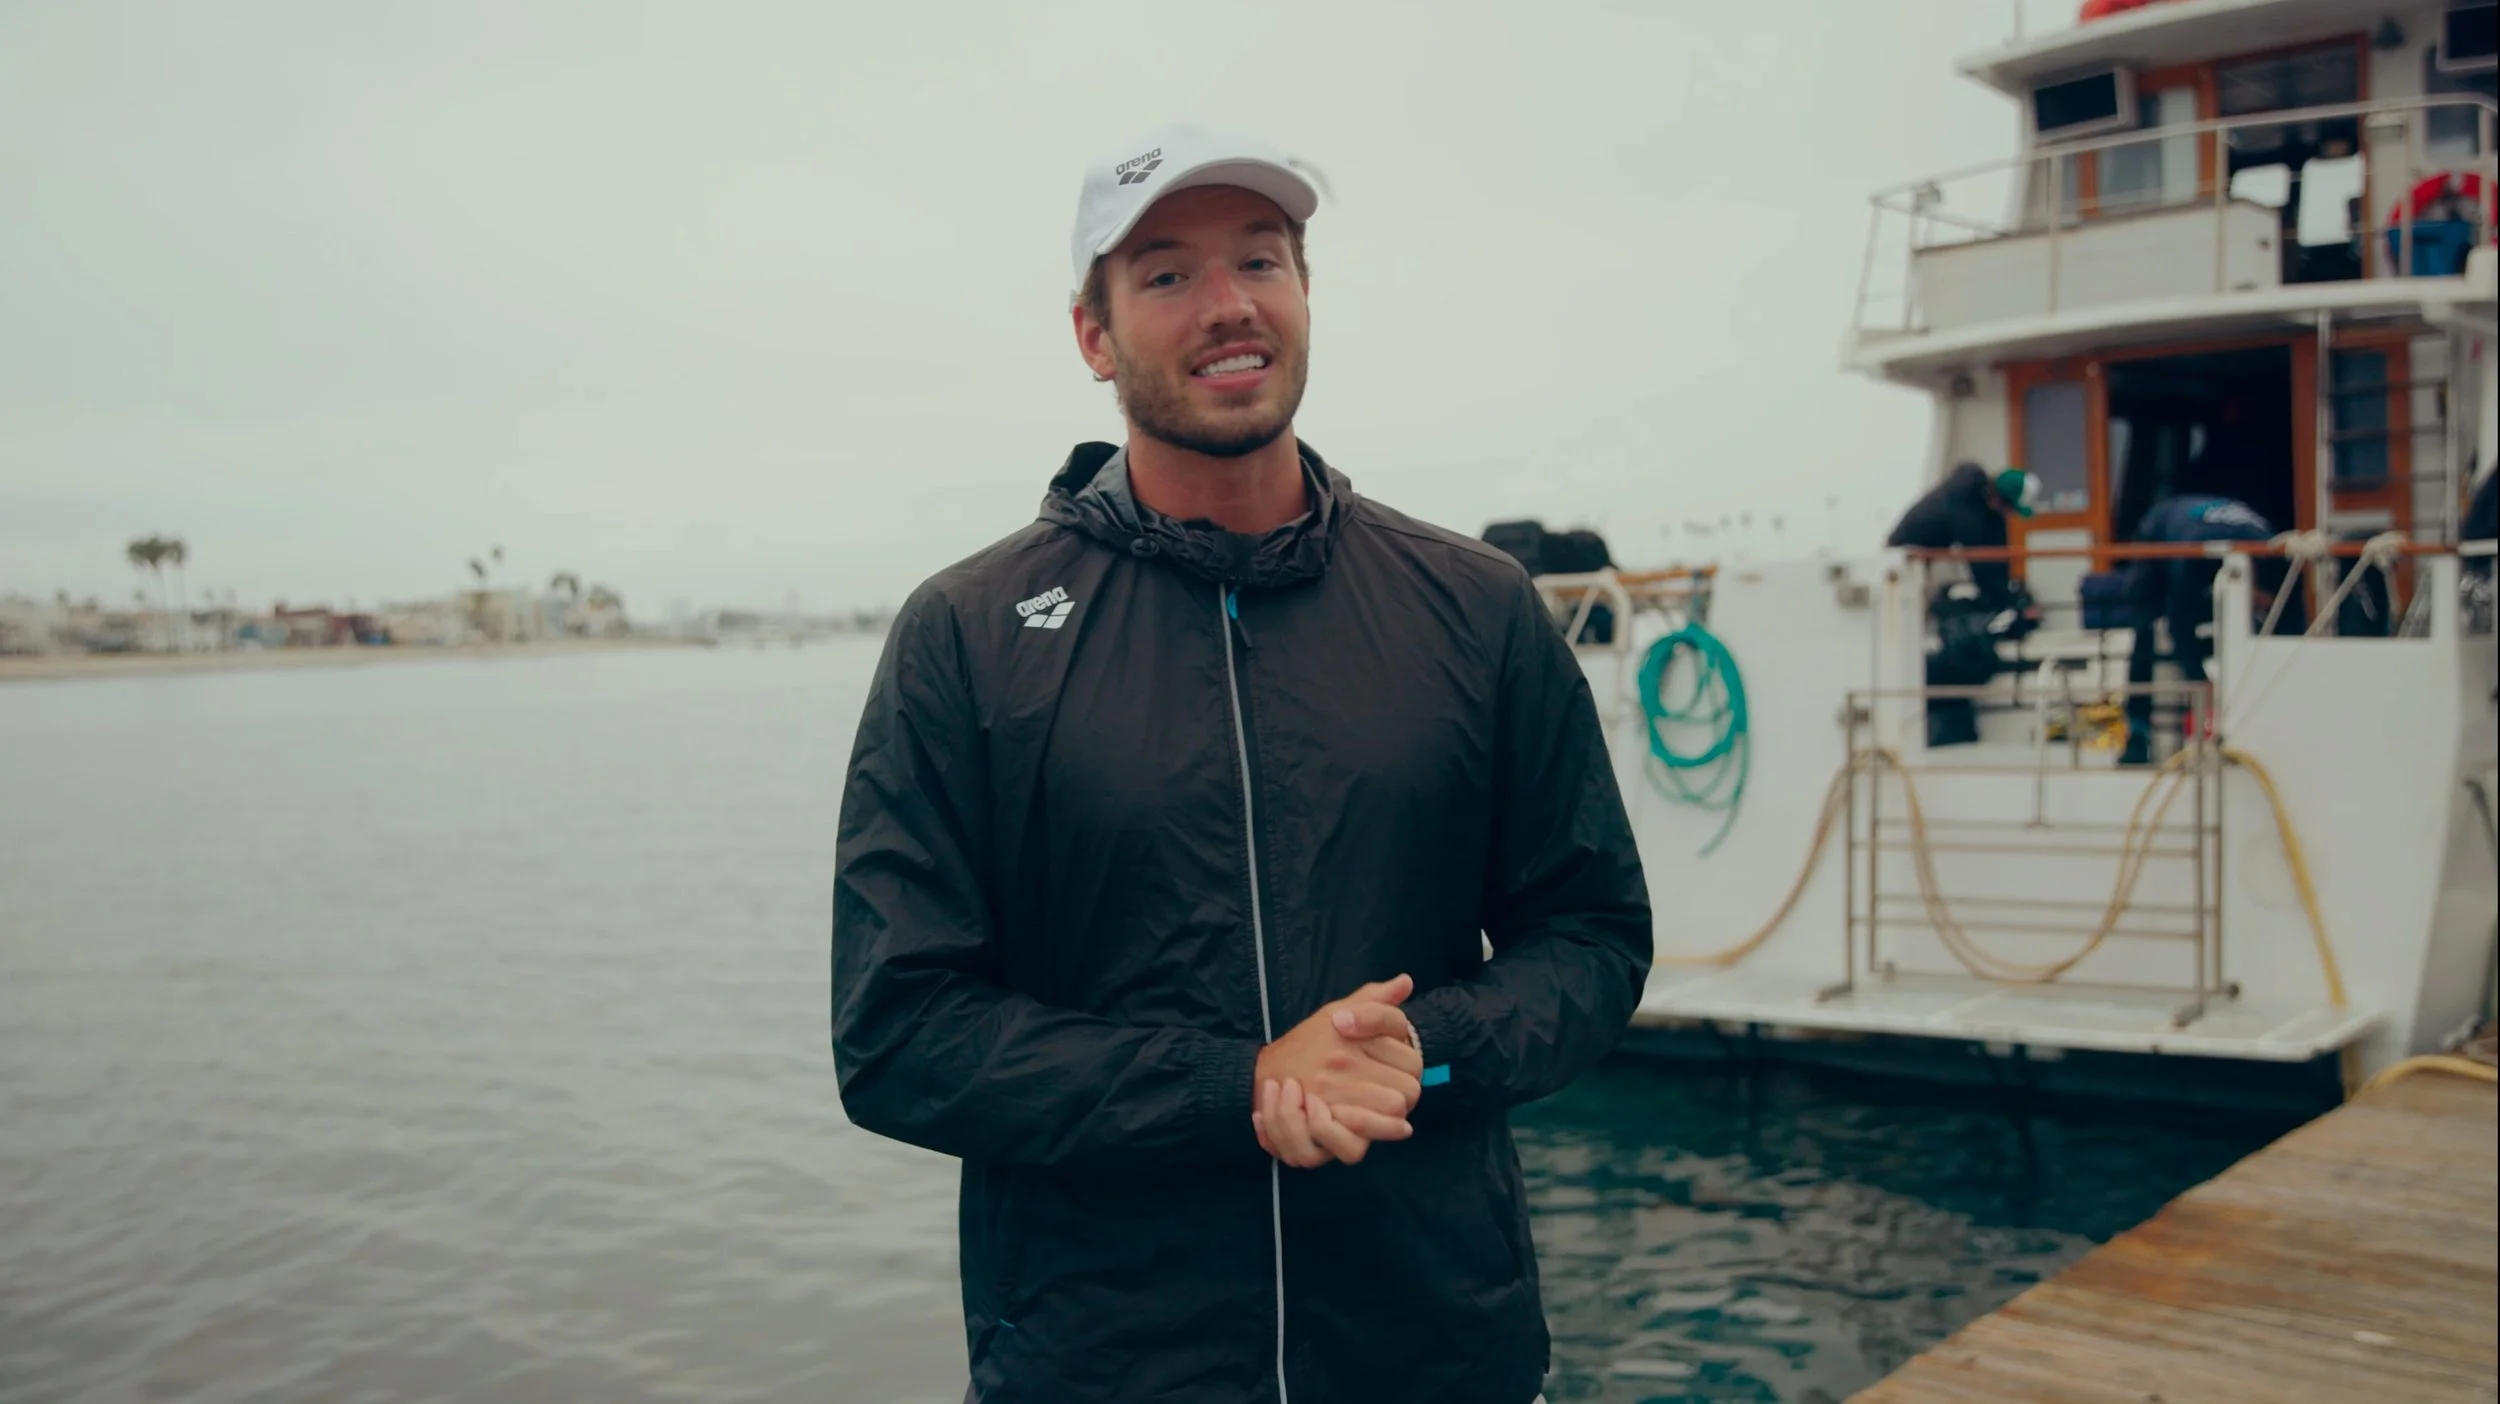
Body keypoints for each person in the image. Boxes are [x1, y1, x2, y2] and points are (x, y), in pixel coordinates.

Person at [829, 120, 1654, 1404]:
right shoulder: (972, 634)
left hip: (1436, 1349)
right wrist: (1238, 1086)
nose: (1228, 307)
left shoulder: (1476, 605)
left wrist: (1419, 1051)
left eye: (1260, 262)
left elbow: (1592, 937)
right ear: (1093, 336)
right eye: (1166, 275)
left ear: (1306, 293)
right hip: (1103, 1363)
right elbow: (898, 1031)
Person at [1886, 462, 2041, 746]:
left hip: (1928, 563)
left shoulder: (1986, 510)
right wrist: (2003, 602)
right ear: (1998, 499)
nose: (2009, 516)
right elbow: (1978, 556)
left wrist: (2009, 598)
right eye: (2010, 509)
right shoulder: (1965, 501)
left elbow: (1996, 555)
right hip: (1905, 567)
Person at [2118, 493, 2275, 765]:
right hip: (2161, 531)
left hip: (2207, 532)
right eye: (2257, 601)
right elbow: (2177, 624)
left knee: (2240, 624)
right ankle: (2138, 733)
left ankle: (2246, 721)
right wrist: (2200, 679)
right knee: (2145, 627)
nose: (2257, 606)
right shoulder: (2192, 561)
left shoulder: (2272, 550)